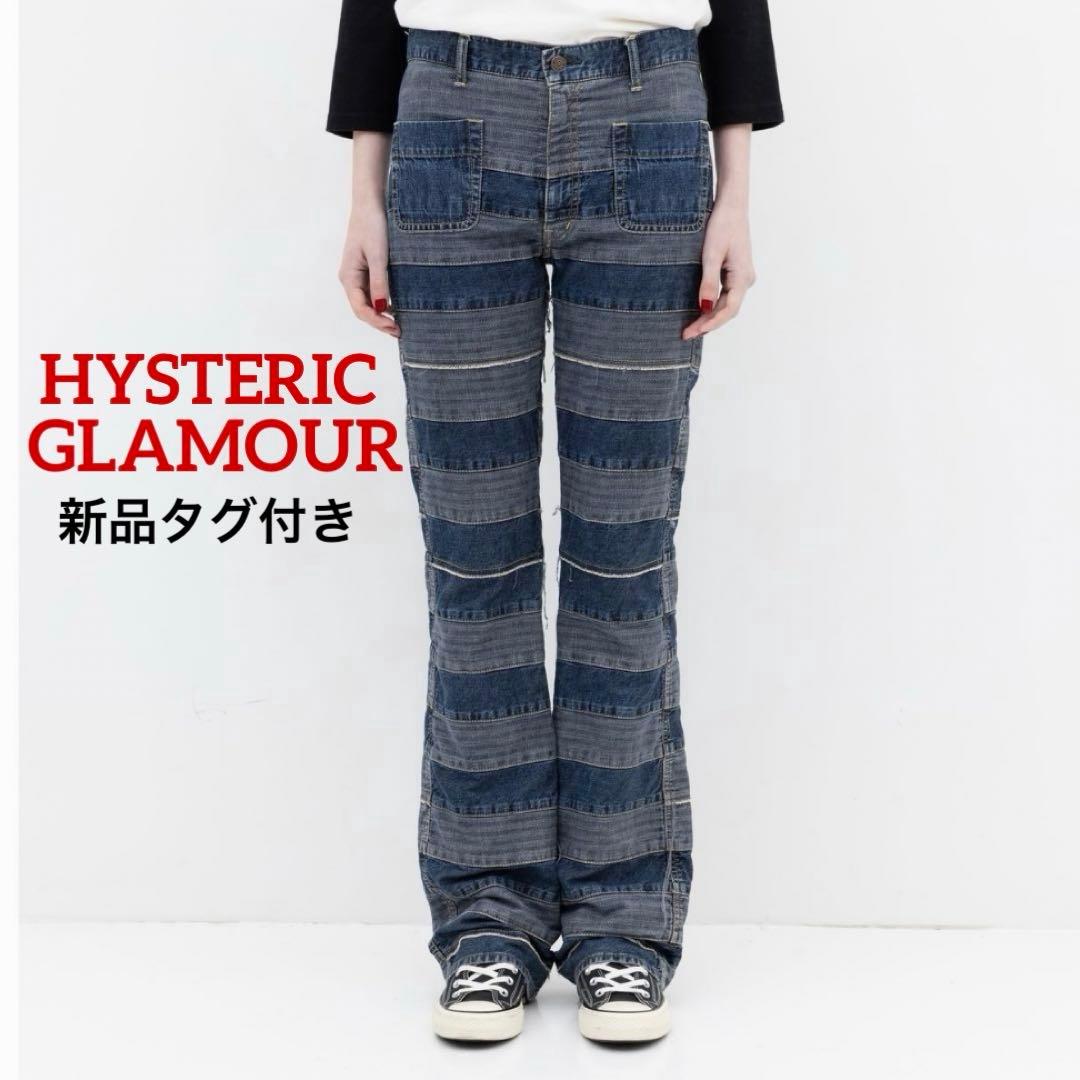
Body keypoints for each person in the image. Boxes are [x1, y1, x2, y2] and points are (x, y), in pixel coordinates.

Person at [327, 0, 782, 1044]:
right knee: (473, 559)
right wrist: (361, 195)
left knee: (624, 560)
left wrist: (736, 194)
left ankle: (622, 922)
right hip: (447, 125)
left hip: (651, 120)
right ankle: (489, 919)